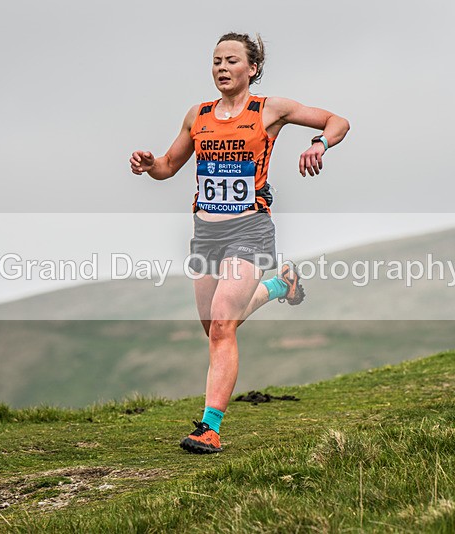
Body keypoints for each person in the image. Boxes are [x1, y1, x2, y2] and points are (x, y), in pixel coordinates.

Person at [130, 32, 349, 453]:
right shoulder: (199, 114)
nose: (222, 68)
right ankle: (278, 287)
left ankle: (209, 427)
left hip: (250, 229)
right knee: (213, 327)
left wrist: (319, 144)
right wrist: (149, 164)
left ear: (252, 68)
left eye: (231, 60)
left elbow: (338, 121)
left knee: (223, 324)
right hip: (206, 233)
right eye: (216, 61)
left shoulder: (270, 110)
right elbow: (169, 165)